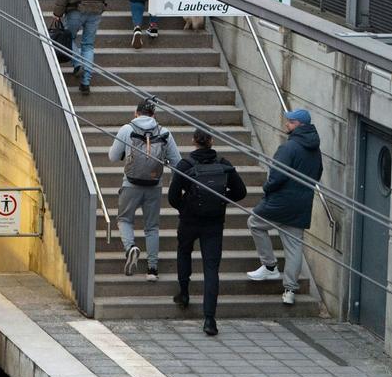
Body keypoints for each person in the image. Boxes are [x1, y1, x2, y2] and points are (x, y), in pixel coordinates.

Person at [168, 128, 247, 336]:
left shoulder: (185, 165)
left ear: (194, 141)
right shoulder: (224, 164)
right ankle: (210, 320)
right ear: (211, 141)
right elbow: (241, 192)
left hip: (189, 221)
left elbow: (173, 197)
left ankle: (184, 293)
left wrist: (185, 207)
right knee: (211, 269)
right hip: (214, 223)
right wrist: (221, 200)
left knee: (184, 252)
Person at [246, 108, 323, 306]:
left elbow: (277, 176)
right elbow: (317, 174)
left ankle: (269, 266)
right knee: (294, 247)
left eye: (290, 122)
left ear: (299, 125)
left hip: (280, 202)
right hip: (302, 204)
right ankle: (290, 290)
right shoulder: (315, 149)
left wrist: (266, 187)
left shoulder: (289, 147)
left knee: (254, 223)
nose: (286, 124)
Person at [109, 99, 180, 281]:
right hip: (154, 185)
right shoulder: (164, 132)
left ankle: (131, 247)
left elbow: (113, 157)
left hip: (130, 184)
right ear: (154, 115)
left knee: (124, 219)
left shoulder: (127, 129)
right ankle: (152, 270)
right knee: (152, 227)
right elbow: (177, 162)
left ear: (136, 113)